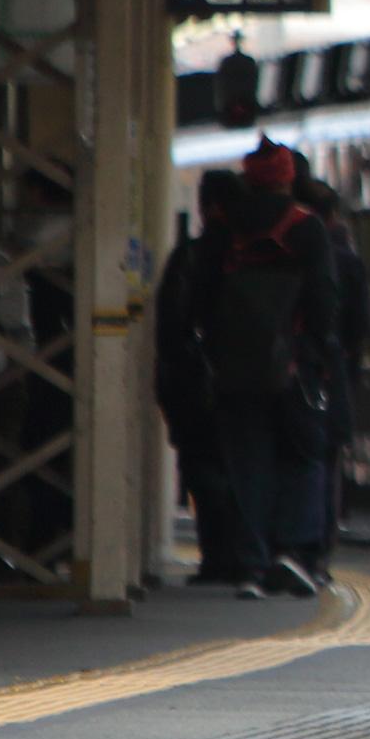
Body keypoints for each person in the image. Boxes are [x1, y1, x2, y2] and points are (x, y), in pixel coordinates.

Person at [197, 142, 340, 600]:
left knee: (246, 465)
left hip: (235, 370)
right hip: (295, 367)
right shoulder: (305, 229)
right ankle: (292, 553)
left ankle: (251, 566)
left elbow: (199, 296)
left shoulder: (224, 231)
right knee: (303, 456)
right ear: (287, 177)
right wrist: (316, 353)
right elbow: (324, 299)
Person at [156, 172, 249, 582]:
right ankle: (250, 554)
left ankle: (218, 556)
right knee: (246, 466)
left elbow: (170, 326)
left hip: (196, 383)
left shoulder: (191, 258)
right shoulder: (255, 255)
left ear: (207, 207)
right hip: (251, 381)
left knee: (203, 469)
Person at [290, 174, 368, 581]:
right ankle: (315, 553)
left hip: (281, 374)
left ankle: (284, 549)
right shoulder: (347, 261)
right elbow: (359, 329)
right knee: (322, 462)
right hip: (326, 377)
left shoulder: (274, 248)